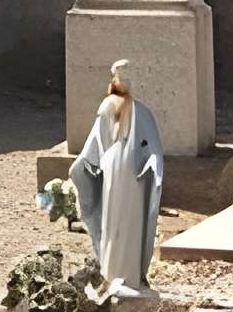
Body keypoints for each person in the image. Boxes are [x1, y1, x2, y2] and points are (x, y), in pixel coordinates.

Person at [69, 58, 166, 296]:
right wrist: (83, 164)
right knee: (120, 223)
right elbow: (98, 141)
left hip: (126, 175)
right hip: (123, 174)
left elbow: (149, 145)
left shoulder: (132, 111)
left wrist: (152, 163)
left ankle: (122, 274)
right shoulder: (120, 109)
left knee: (124, 222)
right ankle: (119, 274)